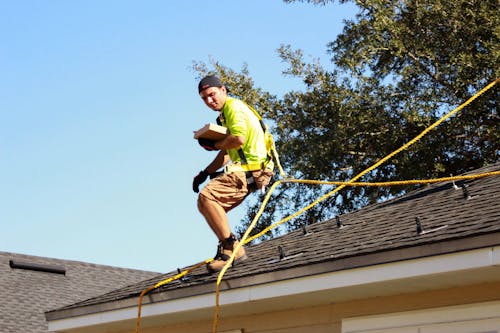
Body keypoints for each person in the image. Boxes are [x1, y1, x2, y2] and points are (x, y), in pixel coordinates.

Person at [192, 75, 274, 272]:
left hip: (253, 170)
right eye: (204, 98)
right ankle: (228, 249)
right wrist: (206, 172)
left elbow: (238, 139)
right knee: (211, 208)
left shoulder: (233, 108)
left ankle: (232, 248)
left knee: (207, 198)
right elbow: (229, 151)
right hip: (250, 169)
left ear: (223, 90)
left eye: (212, 95)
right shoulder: (223, 116)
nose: (209, 101)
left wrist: (215, 144)